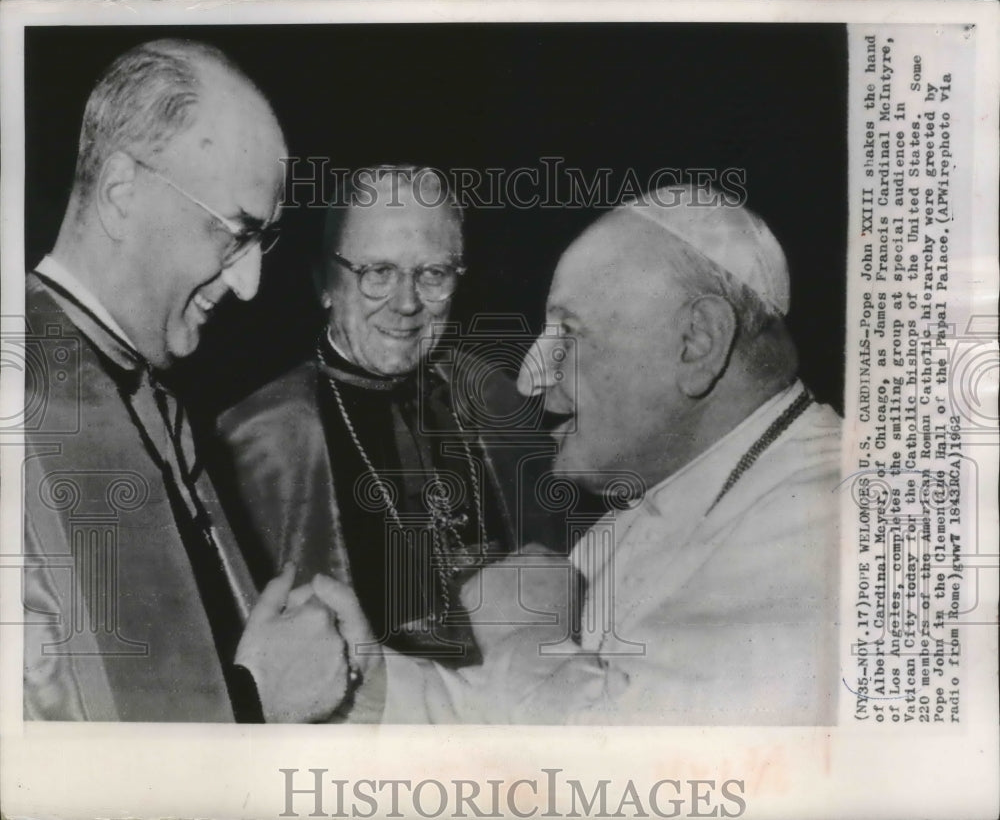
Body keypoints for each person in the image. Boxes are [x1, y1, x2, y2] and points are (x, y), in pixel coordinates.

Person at [318, 184, 842, 725]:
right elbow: (491, 715)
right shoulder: (641, 510)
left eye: (568, 332)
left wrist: (524, 635)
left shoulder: (838, 517)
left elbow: (646, 779)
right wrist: (359, 684)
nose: (529, 377)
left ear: (698, 342)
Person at [23, 39, 351, 723]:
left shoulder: (153, 404)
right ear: (121, 192)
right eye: (235, 233)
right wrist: (262, 707)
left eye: (264, 242)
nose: (250, 281)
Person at [215, 166, 552, 676]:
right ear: (326, 282)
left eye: (433, 273)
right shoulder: (259, 435)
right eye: (378, 272)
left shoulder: (494, 397)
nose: (407, 303)